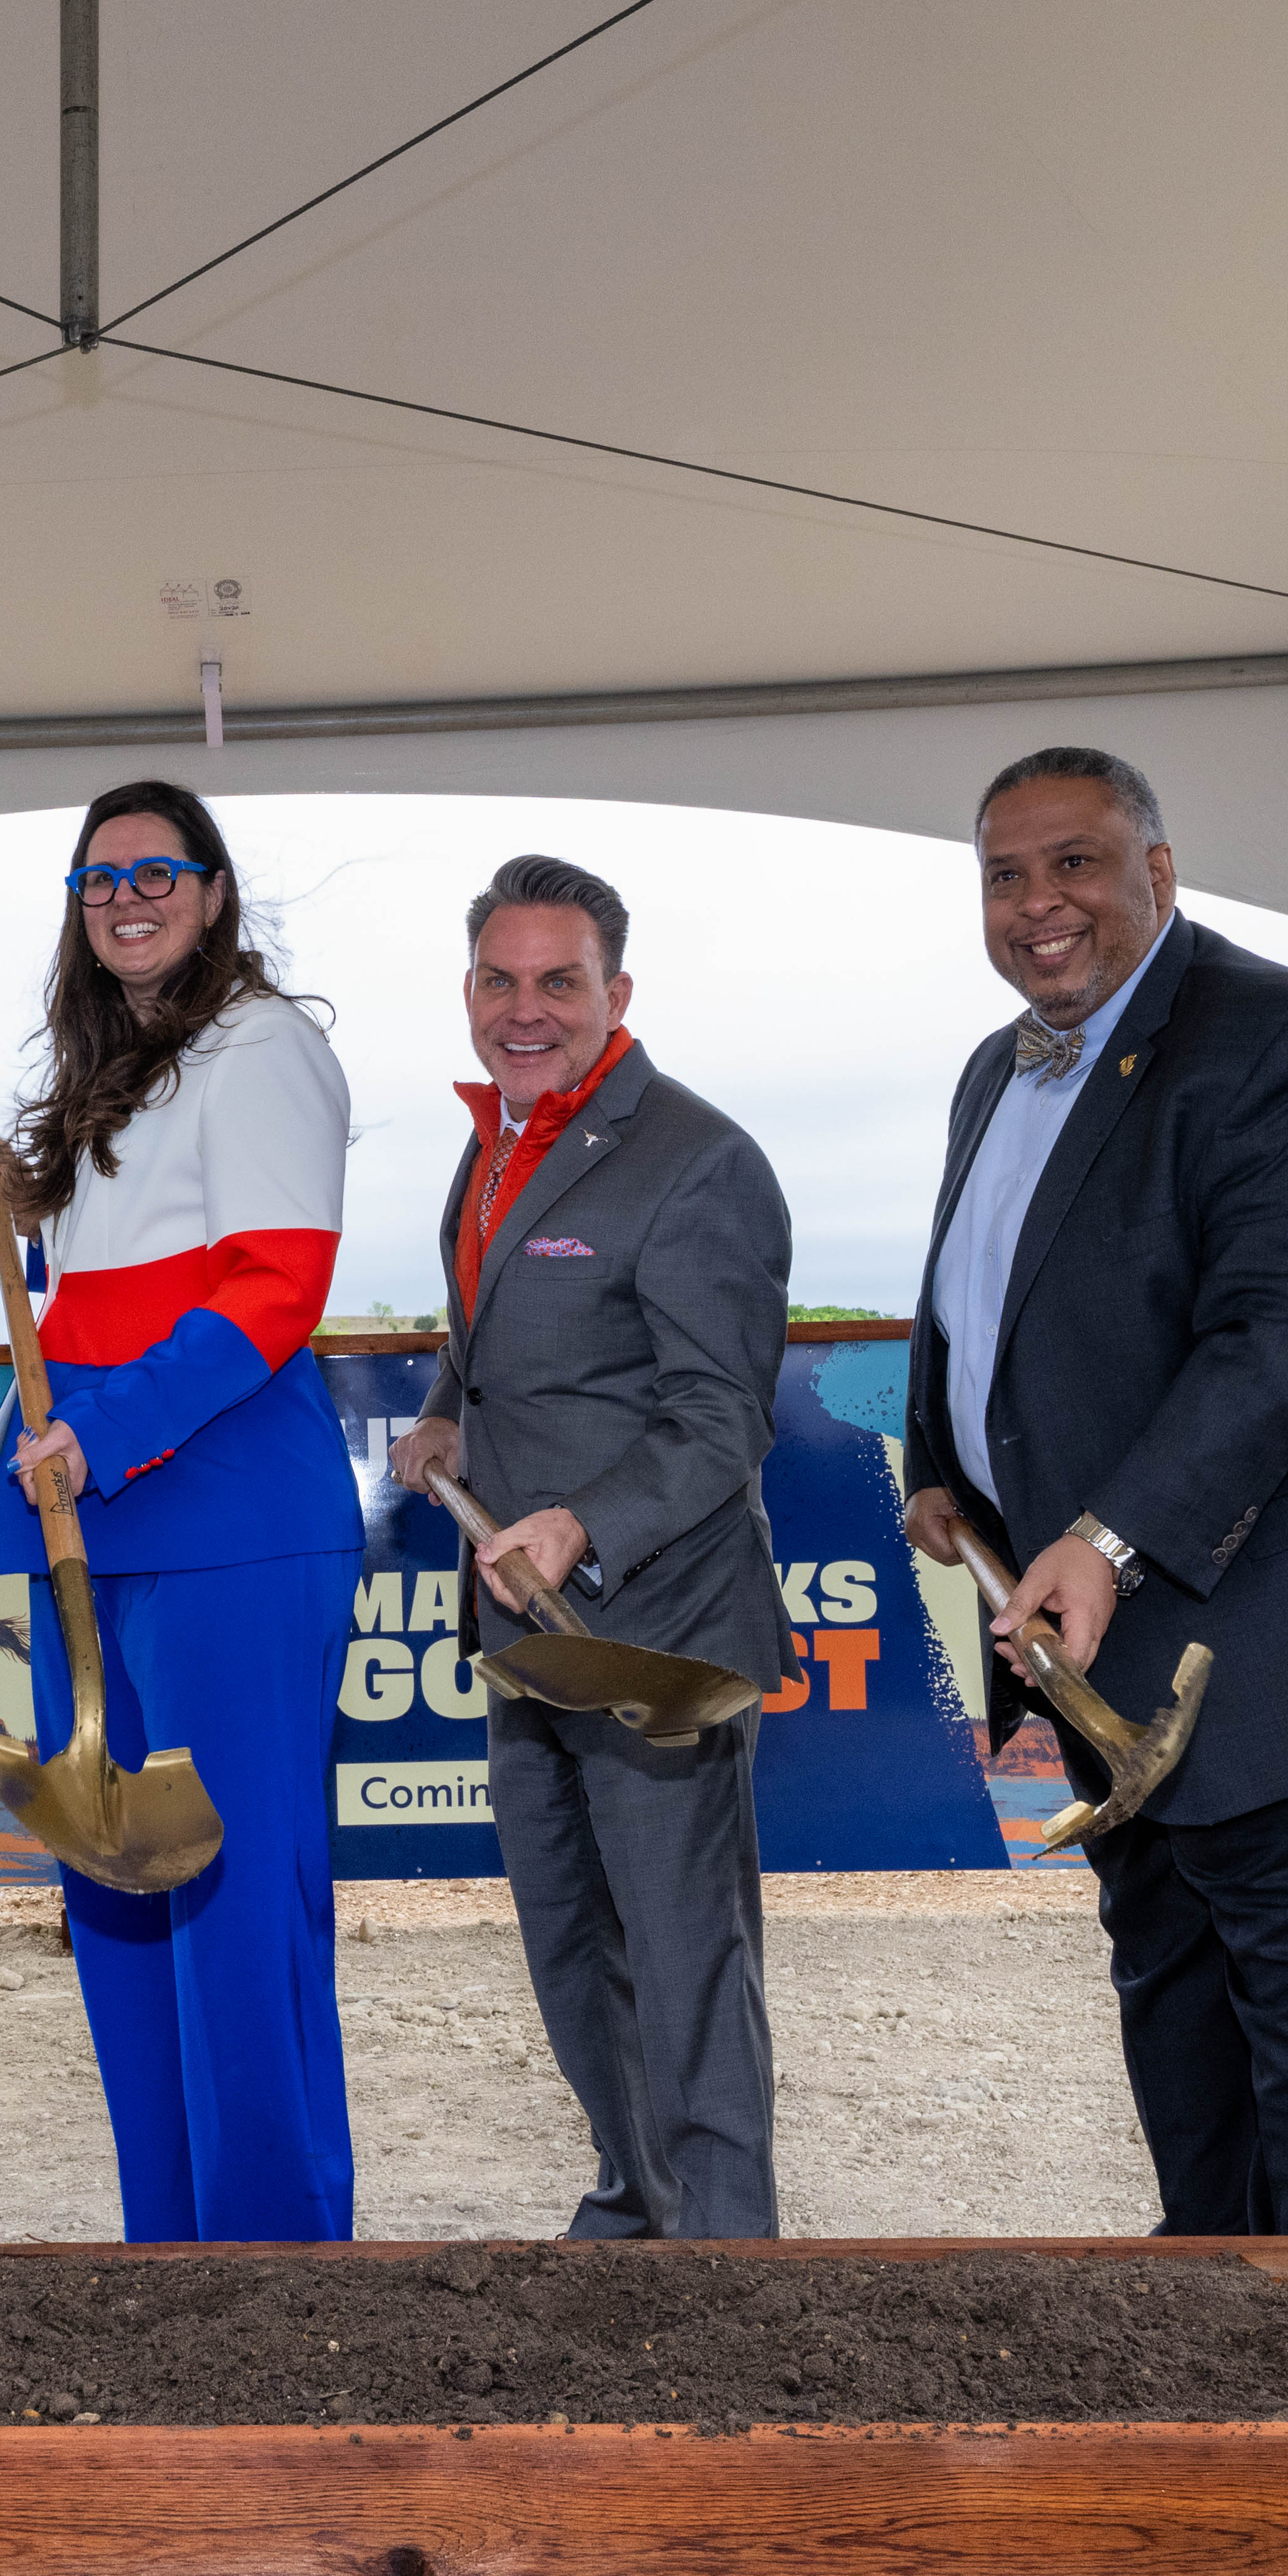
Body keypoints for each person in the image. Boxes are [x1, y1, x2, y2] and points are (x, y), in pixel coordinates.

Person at [899, 744, 1288, 2258]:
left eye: (1075, 863)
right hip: (1127, 1676)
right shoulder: (998, 1066)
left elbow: (1286, 1341)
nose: (1037, 904)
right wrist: (942, 1464)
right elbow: (986, 1301)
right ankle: (1219, 2374)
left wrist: (1106, 1535)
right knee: (1178, 2027)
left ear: (1158, 874)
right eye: (1003, 873)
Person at [0, 779, 357, 2242]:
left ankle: (271, 2269)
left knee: (237, 1914)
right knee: (123, 1914)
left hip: (228, 1527)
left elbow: (268, 1289)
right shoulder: (120, 1065)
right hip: (106, 1525)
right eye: (95, 876)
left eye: (154, 869)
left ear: (209, 890)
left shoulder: (263, 1046)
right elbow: (117, 1284)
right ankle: (170, 2258)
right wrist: (25, 1206)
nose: (123, 893)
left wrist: (103, 1430)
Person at [385, 854, 796, 2238]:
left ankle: (727, 2254)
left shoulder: (699, 1159)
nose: (525, 1008)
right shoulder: (495, 1135)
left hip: (656, 1639)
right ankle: (633, 2208)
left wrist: (581, 1520)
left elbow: (721, 1415)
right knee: (569, 1948)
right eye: (498, 979)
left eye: (558, 981)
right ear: (466, 991)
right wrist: (445, 1413)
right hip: (528, 1637)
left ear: (615, 991)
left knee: (686, 1962)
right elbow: (491, 1337)